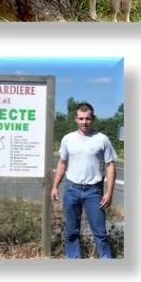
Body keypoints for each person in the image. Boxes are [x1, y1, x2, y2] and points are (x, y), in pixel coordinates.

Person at [51, 102, 117, 258]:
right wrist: (55, 186)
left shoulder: (102, 139)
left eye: (87, 119)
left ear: (92, 119)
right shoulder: (68, 139)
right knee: (71, 231)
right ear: (76, 119)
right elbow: (62, 163)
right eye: (81, 119)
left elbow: (110, 165)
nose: (84, 122)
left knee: (100, 233)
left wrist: (109, 192)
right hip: (71, 189)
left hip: (94, 192)